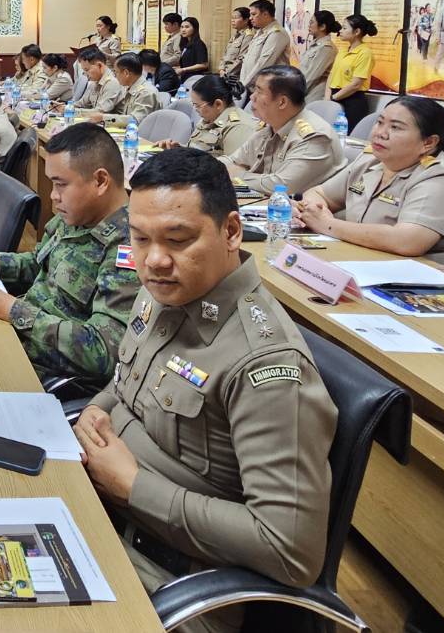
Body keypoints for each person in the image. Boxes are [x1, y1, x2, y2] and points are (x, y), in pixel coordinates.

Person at [76, 148, 337, 617]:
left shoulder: (265, 365)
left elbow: (290, 549)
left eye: (178, 240)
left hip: (167, 578)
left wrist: (133, 486)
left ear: (231, 231)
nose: (154, 260)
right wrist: (98, 406)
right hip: (104, 517)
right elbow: (126, 380)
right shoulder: (165, 295)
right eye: (139, 239)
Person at [0, 124, 139, 390]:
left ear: (100, 181)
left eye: (61, 184)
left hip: (40, 371)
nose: (53, 195)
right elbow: (42, 264)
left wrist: (7, 308)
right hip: (12, 335)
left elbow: (104, 352)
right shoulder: (80, 214)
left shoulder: (129, 246)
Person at [296, 96, 444, 256]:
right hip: (360, 258)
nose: (380, 133)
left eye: (395, 127)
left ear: (428, 143)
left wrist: (327, 225)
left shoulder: (440, 180)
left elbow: (407, 241)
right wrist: (315, 212)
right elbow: (320, 193)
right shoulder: (371, 160)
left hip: (417, 281)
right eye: (380, 122)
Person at [220, 65, 344, 194]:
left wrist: (237, 175)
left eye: (259, 91)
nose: (252, 97)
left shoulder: (314, 137)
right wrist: (206, 166)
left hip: (300, 210)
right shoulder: (271, 125)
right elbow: (234, 160)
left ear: (282, 102)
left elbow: (281, 186)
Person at [167, 74, 256, 157]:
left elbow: (232, 168)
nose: (195, 109)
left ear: (218, 104)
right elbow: (200, 150)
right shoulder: (210, 116)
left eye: (197, 105)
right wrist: (178, 148)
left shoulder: (238, 127)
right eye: (193, 104)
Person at [327, 14, 378, 132]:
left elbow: (356, 84)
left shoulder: (365, 53)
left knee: (347, 137)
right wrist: (327, 97)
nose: (340, 31)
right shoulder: (343, 51)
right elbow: (331, 75)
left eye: (344, 28)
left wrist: (334, 98)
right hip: (334, 96)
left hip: (352, 100)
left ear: (357, 31)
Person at [89, 54, 161, 125]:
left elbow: (134, 120)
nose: (115, 75)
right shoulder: (131, 87)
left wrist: (103, 118)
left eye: (116, 72)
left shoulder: (146, 92)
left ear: (126, 73)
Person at [239, 0, 290, 87]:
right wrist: (242, 82)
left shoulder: (277, 33)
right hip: (251, 85)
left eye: (254, 14)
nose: (250, 18)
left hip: (269, 87)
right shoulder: (260, 32)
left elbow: (264, 63)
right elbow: (247, 59)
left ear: (265, 14)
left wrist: (244, 84)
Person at [297, 10, 341, 105]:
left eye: (312, 22)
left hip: (313, 96)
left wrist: (294, 92)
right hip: (304, 92)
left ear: (322, 27)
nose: (309, 25)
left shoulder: (326, 48)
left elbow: (312, 75)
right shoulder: (316, 44)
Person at [73, 46, 123, 114]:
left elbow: (99, 112)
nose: (85, 74)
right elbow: (82, 103)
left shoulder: (112, 83)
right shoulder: (94, 81)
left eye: (87, 70)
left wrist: (73, 111)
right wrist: (65, 107)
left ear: (99, 65)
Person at [217, 7, 253, 82]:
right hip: (224, 74)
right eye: (232, 18)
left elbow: (242, 58)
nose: (232, 20)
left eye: (236, 18)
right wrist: (221, 69)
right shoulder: (235, 36)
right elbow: (225, 55)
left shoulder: (248, 36)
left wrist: (227, 72)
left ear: (246, 20)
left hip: (235, 76)